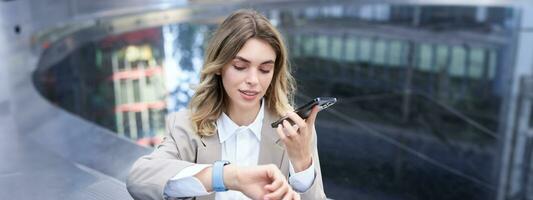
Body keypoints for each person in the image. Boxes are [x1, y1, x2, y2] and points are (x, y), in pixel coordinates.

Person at [127, 9, 326, 200]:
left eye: (265, 69)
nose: (253, 80)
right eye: (240, 66)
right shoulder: (186, 125)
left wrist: (302, 165)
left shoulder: (294, 130)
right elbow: (139, 180)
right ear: (220, 66)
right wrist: (227, 177)